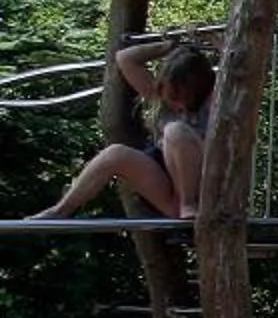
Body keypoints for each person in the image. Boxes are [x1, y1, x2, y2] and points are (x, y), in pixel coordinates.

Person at [26, 34, 216, 220]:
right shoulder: (158, 97)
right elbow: (125, 58)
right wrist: (168, 45)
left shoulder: (216, 101)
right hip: (168, 190)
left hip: (206, 185)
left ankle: (189, 204)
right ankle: (61, 210)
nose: (178, 105)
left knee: (176, 131)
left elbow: (241, 75)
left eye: (184, 97)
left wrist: (221, 45)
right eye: (172, 98)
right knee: (115, 153)